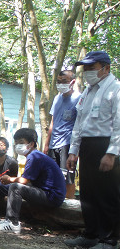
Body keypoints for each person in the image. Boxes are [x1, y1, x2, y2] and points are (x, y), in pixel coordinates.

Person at [65, 51, 120, 249]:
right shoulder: (88, 92)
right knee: (88, 192)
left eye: (92, 67)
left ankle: (109, 239)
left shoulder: (115, 89)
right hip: (87, 145)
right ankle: (91, 234)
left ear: (106, 68)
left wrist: (112, 153)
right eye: (85, 68)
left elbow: (119, 124)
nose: (87, 72)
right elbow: (79, 123)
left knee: (107, 193)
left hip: (106, 145)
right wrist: (73, 151)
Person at [0, 128, 66, 234]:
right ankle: (7, 219)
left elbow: (24, 180)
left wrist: (9, 179)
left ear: (31, 144)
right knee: (13, 187)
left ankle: (12, 223)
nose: (18, 146)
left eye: (21, 142)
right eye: (16, 143)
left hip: (52, 196)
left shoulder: (34, 157)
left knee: (15, 187)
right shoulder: (35, 156)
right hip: (48, 193)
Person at [44, 70, 80, 199]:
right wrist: (47, 144)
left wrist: (75, 150)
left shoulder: (79, 98)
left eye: (64, 81)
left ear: (72, 82)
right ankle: (56, 201)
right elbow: (53, 122)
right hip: (54, 144)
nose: (61, 84)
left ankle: (69, 202)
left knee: (68, 176)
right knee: (52, 175)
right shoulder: (57, 98)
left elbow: (80, 124)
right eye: (58, 82)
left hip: (68, 144)